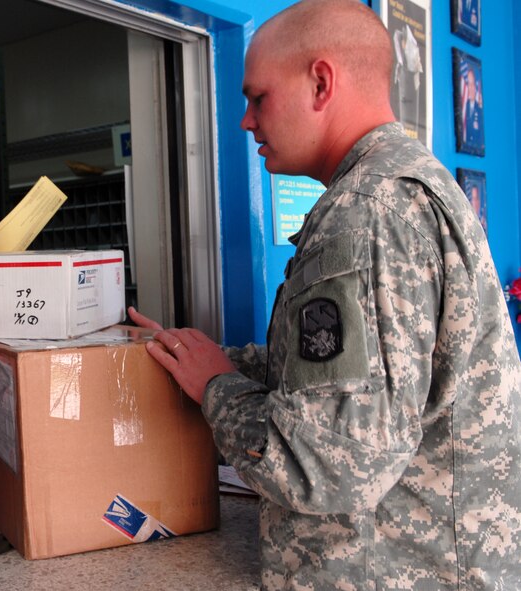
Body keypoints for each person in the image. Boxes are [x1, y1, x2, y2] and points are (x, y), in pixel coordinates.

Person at [130, 0, 521, 589]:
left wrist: (217, 388)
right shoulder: (405, 186)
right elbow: (358, 380)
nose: (245, 121)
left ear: (320, 82)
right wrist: (200, 359)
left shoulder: (366, 214)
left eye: (256, 97)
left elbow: (327, 465)